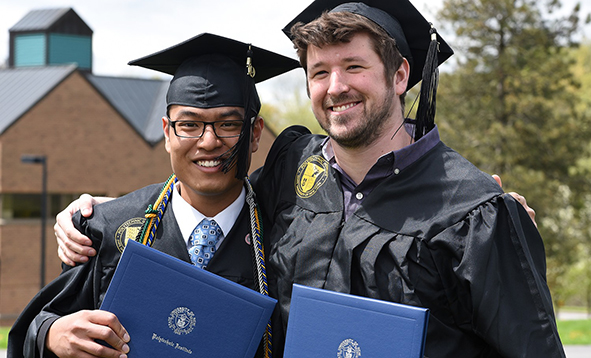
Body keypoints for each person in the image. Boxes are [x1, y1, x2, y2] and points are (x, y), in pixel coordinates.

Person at [52, 2, 551, 358]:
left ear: (400, 75)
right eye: (319, 72)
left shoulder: (474, 213)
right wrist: (97, 211)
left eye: (354, 66)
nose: (336, 88)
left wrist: (497, 211)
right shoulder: (295, 169)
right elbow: (210, 190)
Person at [7, 33, 299, 358]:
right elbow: (38, 326)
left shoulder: (286, 237)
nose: (208, 142)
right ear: (166, 133)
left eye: (229, 124)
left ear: (255, 133)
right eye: (189, 125)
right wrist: (51, 334)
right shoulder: (108, 229)